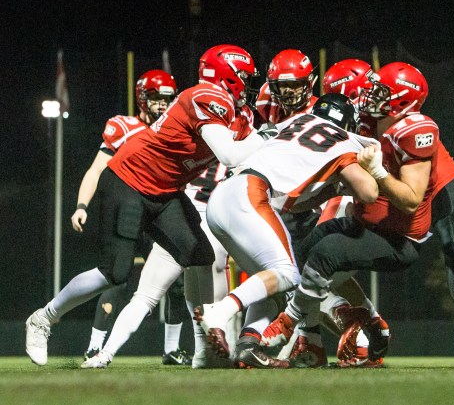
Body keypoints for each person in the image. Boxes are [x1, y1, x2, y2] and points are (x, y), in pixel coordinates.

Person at [263, 62, 454, 370]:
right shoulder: (367, 122)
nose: (362, 97)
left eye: (370, 91)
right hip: (408, 209)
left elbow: (408, 196)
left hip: (449, 193)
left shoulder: (412, 127)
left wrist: (374, 173)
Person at [26, 44, 273, 366]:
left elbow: (250, 154)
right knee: (115, 272)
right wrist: (270, 135)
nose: (249, 84)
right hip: (129, 181)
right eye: (244, 76)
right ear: (227, 75)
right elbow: (230, 155)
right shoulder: (205, 97)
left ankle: (205, 346)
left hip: (166, 191)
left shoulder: (238, 114)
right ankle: (44, 318)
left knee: (198, 254)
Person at [195, 93, 381, 369]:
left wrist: (327, 188)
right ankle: (219, 313)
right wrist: (370, 171)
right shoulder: (345, 140)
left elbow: (292, 200)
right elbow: (368, 192)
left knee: (271, 283)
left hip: (223, 196)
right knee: (287, 272)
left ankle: (249, 346)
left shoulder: (294, 122)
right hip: (251, 193)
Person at [73, 69, 190, 365]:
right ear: (141, 98)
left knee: (176, 281)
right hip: (127, 209)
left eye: (167, 99)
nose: (162, 104)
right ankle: (94, 346)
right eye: (155, 98)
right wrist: (81, 205)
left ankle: (171, 349)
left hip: (160, 212)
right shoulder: (123, 127)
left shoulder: (174, 130)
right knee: (118, 276)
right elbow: (96, 169)